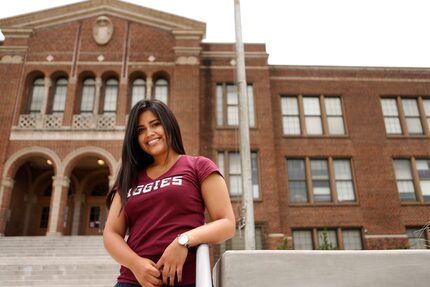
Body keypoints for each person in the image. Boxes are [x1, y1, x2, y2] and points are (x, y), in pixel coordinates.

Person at [104, 99, 236, 287]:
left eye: (155, 124)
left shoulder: (198, 166)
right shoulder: (129, 178)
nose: (149, 134)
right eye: (140, 130)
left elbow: (226, 223)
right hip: (133, 281)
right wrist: (136, 265)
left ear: (169, 124)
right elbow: (111, 234)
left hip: (184, 280)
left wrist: (183, 241)